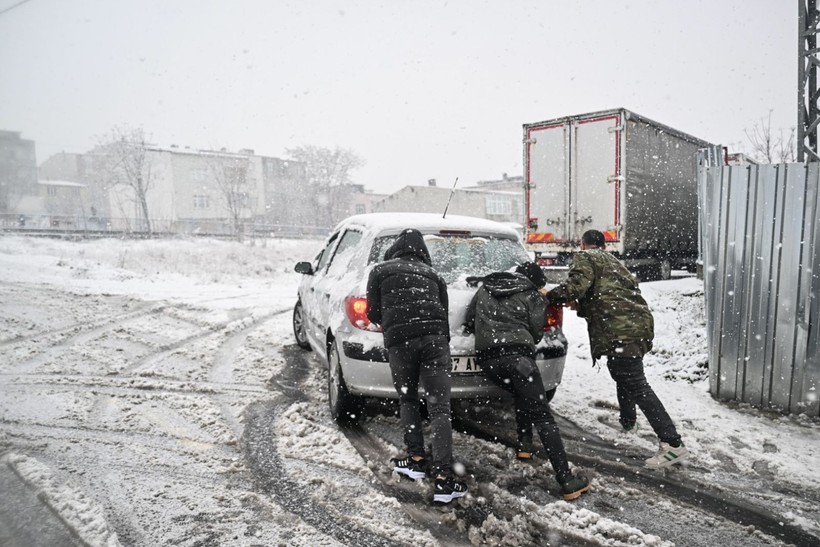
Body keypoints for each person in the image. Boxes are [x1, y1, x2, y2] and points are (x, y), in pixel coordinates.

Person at [547, 229, 689, 469]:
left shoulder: (585, 257)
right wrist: (581, 306)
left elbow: (574, 288)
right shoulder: (615, 263)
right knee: (621, 369)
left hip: (621, 329)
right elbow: (611, 298)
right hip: (637, 324)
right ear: (604, 245)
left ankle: (672, 444)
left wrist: (549, 295)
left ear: (584, 244)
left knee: (635, 381)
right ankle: (628, 421)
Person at [464, 262, 590, 501]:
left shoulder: (486, 288)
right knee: (542, 413)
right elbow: (536, 333)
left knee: (524, 394)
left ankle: (524, 445)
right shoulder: (532, 294)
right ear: (535, 282)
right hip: (519, 360)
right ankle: (567, 480)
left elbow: (470, 321)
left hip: (488, 361)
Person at [366, 228, 468, 504]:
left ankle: (416, 459)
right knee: (440, 408)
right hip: (435, 342)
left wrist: (393, 320)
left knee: (408, 398)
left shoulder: (381, 270)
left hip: (401, 343)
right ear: (423, 252)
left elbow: (373, 312)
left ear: (396, 248)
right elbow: (442, 312)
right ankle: (445, 480)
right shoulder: (434, 275)